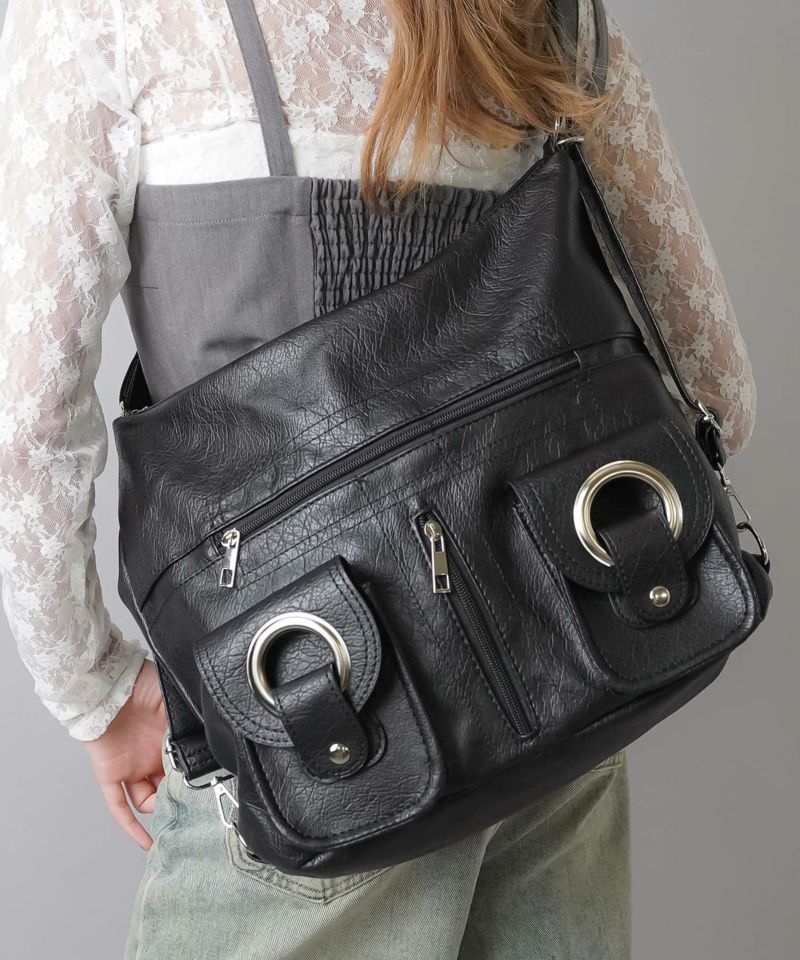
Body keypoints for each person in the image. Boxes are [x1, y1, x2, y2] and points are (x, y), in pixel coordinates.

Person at [0, 1, 756, 957]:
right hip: (571, 690)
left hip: (320, 718)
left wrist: (100, 697)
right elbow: (716, 391)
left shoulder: (112, 17)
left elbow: (26, 428)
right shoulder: (549, 16)